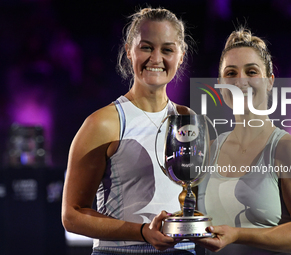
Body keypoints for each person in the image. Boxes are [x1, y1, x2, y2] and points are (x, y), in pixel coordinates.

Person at [62, 7, 196, 254]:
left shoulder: (189, 120)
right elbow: (72, 215)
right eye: (146, 47)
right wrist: (143, 232)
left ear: (180, 56)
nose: (156, 58)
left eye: (167, 49)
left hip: (185, 250)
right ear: (128, 50)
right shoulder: (103, 123)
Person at [195, 27, 291, 254]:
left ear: (270, 81)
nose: (240, 81)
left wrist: (238, 235)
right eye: (231, 73)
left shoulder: (290, 150)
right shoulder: (209, 150)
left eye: (251, 72)